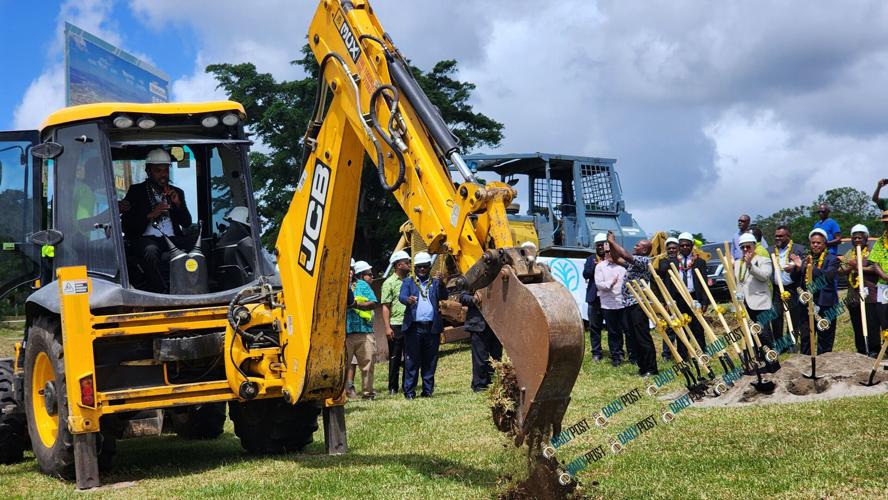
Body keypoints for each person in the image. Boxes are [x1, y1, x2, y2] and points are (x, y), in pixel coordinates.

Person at [121, 149, 193, 293]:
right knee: (150, 250)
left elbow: (186, 223)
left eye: (166, 170)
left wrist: (178, 204)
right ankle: (161, 291)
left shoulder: (176, 192)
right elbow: (126, 227)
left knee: (200, 244)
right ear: (148, 171)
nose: (163, 175)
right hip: (146, 240)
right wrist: (151, 214)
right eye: (158, 171)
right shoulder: (136, 191)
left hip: (172, 239)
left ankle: (197, 287)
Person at [606, 232, 658, 377]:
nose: (635, 247)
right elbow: (617, 259)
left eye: (638, 245)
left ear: (644, 250)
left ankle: (651, 369)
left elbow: (626, 255)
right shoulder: (634, 262)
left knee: (642, 336)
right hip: (629, 303)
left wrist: (613, 241)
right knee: (633, 337)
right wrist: (610, 244)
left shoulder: (644, 260)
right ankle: (642, 368)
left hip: (638, 303)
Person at [399, 252, 448, 399]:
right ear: (415, 268)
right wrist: (408, 299)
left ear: (429, 267)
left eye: (425, 267)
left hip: (432, 327)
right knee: (412, 361)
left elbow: (444, 295)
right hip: (414, 327)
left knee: (430, 360)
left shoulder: (435, 282)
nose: (422, 270)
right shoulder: (409, 282)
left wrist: (442, 282)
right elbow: (401, 297)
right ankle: (409, 391)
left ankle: (427, 390)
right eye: (419, 267)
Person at [790, 229, 840, 354]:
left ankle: (825, 367)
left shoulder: (832, 259)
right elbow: (794, 279)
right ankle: (807, 365)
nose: (815, 245)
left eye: (818, 243)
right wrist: (797, 268)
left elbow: (827, 277)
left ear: (824, 244)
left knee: (825, 338)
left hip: (826, 304)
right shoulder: (806, 259)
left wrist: (808, 267)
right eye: (813, 243)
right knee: (806, 337)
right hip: (806, 304)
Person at [838, 225, 884, 357]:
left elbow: (876, 268)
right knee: (857, 324)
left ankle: (874, 350)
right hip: (853, 294)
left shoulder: (873, 251)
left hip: (870, 293)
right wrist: (847, 268)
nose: (857, 240)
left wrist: (858, 266)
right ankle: (861, 350)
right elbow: (841, 270)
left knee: (871, 323)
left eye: (860, 237)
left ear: (866, 238)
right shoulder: (849, 253)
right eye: (855, 237)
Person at [735, 233, 775, 348]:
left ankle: (772, 364)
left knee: (764, 336)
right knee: (750, 337)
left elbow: (765, 276)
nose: (746, 249)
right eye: (743, 247)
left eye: (748, 246)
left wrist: (750, 266)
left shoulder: (764, 260)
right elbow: (738, 282)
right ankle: (757, 362)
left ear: (754, 246)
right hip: (744, 305)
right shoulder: (738, 263)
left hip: (760, 304)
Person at [673, 232, 710, 356]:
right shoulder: (673, 262)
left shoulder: (699, 262)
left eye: (687, 245)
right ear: (679, 246)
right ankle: (683, 355)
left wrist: (705, 301)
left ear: (692, 245)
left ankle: (702, 353)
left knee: (697, 327)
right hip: (680, 298)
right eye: (682, 245)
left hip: (694, 297)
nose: (684, 248)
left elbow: (703, 282)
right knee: (682, 326)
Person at [770, 225, 806, 351]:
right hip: (776, 289)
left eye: (781, 236)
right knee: (776, 317)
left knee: (794, 316)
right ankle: (779, 345)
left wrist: (795, 267)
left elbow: (805, 264)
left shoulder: (799, 249)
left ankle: (791, 342)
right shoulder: (770, 250)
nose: (777, 238)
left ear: (788, 236)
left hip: (793, 288)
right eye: (776, 236)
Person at [459, 288, 503, 392]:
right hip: (478, 325)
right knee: (480, 359)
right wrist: (473, 299)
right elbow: (462, 297)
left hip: (496, 324)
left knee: (496, 356)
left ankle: (493, 382)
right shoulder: (475, 278)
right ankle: (479, 385)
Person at [346, 261, 378, 400]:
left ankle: (368, 393)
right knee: (342, 366)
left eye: (351, 269)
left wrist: (356, 304)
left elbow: (373, 303)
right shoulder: (335, 286)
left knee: (368, 364)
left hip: (364, 331)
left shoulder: (362, 285)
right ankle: (342, 393)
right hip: (344, 334)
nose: (349, 272)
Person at [594, 242, 629, 367]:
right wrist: (610, 283)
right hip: (608, 304)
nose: (608, 254)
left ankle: (631, 355)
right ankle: (616, 356)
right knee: (613, 331)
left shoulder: (623, 267)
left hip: (623, 303)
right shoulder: (600, 267)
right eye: (606, 252)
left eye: (611, 251)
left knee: (627, 330)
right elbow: (599, 284)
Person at [381, 251, 410, 395]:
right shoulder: (389, 283)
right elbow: (385, 306)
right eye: (407, 262)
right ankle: (393, 387)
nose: (409, 265)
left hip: (410, 323)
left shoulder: (411, 281)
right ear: (399, 265)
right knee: (395, 357)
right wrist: (387, 327)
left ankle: (407, 384)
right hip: (396, 324)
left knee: (409, 356)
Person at [865, 211, 888, 350]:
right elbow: (874, 262)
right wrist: (884, 276)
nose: (887, 225)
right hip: (884, 286)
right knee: (884, 316)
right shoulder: (880, 242)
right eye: (885, 223)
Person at [583, 234, 607, 361]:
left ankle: (617, 353)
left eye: (603, 244)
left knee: (614, 328)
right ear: (595, 246)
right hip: (594, 298)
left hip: (610, 299)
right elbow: (585, 274)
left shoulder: (612, 259)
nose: (601, 247)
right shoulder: (590, 259)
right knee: (594, 327)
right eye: (598, 245)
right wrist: (597, 266)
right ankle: (596, 353)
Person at [657, 237, 680, 360]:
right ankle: (667, 354)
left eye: (674, 248)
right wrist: (664, 301)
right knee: (669, 328)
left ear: (678, 249)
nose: (671, 250)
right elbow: (662, 271)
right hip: (669, 298)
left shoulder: (684, 261)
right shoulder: (663, 262)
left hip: (682, 298)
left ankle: (683, 353)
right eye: (669, 248)